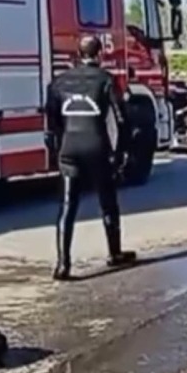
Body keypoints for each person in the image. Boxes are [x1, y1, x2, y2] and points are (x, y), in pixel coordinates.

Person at [44, 35, 137, 281]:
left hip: (69, 147)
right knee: (108, 201)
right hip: (97, 147)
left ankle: (63, 264)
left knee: (67, 205)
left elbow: (51, 124)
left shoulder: (59, 82)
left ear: (78, 54)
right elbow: (121, 119)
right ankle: (115, 253)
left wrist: (57, 152)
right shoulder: (106, 80)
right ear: (100, 55)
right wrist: (121, 153)